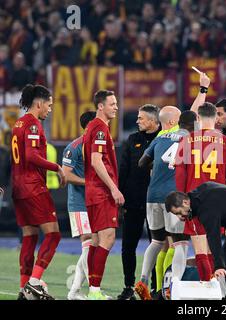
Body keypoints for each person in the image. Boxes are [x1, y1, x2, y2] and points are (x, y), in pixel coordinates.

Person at [11, 84, 67, 300]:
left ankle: (24, 288)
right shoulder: (33, 125)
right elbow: (32, 156)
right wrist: (57, 167)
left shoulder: (18, 123)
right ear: (39, 103)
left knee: (30, 237)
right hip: (33, 187)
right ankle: (34, 283)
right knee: (53, 235)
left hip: (18, 188)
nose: (50, 110)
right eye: (49, 105)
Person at [175, 102, 226, 282]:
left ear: (198, 118)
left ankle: (206, 288)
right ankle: (215, 291)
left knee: (200, 250)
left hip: (193, 202)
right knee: (214, 249)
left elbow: (180, 176)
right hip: (219, 203)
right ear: (216, 118)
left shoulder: (186, 140)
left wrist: (182, 204)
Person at [165, 182, 226, 300]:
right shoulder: (198, 195)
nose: (180, 217)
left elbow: (214, 237)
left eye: (179, 212)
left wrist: (218, 265)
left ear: (185, 202)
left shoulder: (205, 209)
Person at [134, 106, 183, 300]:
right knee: (180, 244)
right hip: (173, 198)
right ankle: (174, 286)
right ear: (172, 121)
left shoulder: (159, 138)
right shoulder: (185, 137)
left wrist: (159, 165)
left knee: (156, 241)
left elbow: (141, 163)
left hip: (152, 195)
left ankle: (143, 282)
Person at [83, 89, 124, 300]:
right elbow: (97, 161)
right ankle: (95, 291)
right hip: (100, 192)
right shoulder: (99, 128)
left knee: (98, 240)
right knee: (107, 238)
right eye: (112, 103)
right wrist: (113, 188)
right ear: (100, 106)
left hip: (92, 191)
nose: (116, 107)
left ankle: (93, 290)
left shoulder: (92, 126)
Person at [117, 104, 160, 300]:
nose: (137, 121)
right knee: (128, 245)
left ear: (153, 121)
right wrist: (120, 197)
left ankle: (156, 287)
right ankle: (128, 286)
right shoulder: (132, 140)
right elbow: (123, 170)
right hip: (133, 201)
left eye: (141, 118)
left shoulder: (165, 138)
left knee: (158, 244)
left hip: (157, 202)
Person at [62, 111, 96, 300]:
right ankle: (92, 290)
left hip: (96, 203)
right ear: (89, 125)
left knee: (92, 246)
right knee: (89, 244)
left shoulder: (100, 146)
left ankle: (75, 291)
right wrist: (89, 183)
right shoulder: (74, 147)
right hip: (79, 203)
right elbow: (65, 175)